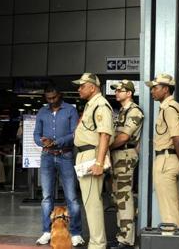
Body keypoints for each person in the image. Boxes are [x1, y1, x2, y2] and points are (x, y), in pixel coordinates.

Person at [34, 84, 84, 247]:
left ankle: (76, 233)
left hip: (66, 155)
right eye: (48, 98)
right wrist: (42, 142)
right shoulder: (42, 112)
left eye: (54, 97)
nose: (52, 101)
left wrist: (55, 142)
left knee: (71, 197)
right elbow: (36, 134)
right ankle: (47, 232)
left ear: (60, 95)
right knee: (47, 197)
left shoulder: (70, 110)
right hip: (47, 156)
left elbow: (74, 133)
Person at [72, 73, 114, 249]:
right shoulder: (91, 105)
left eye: (82, 85)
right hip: (85, 154)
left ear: (93, 87)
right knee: (89, 202)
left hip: (91, 155)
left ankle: (97, 244)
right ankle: (96, 242)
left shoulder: (100, 105)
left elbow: (104, 134)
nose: (79, 89)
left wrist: (99, 162)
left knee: (93, 203)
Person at [145, 73, 179, 229]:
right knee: (175, 207)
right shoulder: (177, 107)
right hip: (172, 160)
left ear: (165, 89)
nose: (152, 91)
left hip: (166, 160)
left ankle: (172, 242)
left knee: (168, 212)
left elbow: (178, 139)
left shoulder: (169, 109)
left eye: (155, 88)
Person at [109, 80, 144, 249]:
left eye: (120, 90)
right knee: (118, 196)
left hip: (125, 155)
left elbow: (123, 137)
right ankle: (122, 235)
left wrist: (105, 147)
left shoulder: (134, 111)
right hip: (118, 155)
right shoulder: (122, 111)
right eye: (116, 90)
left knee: (124, 196)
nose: (116, 93)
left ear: (129, 93)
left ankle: (126, 239)